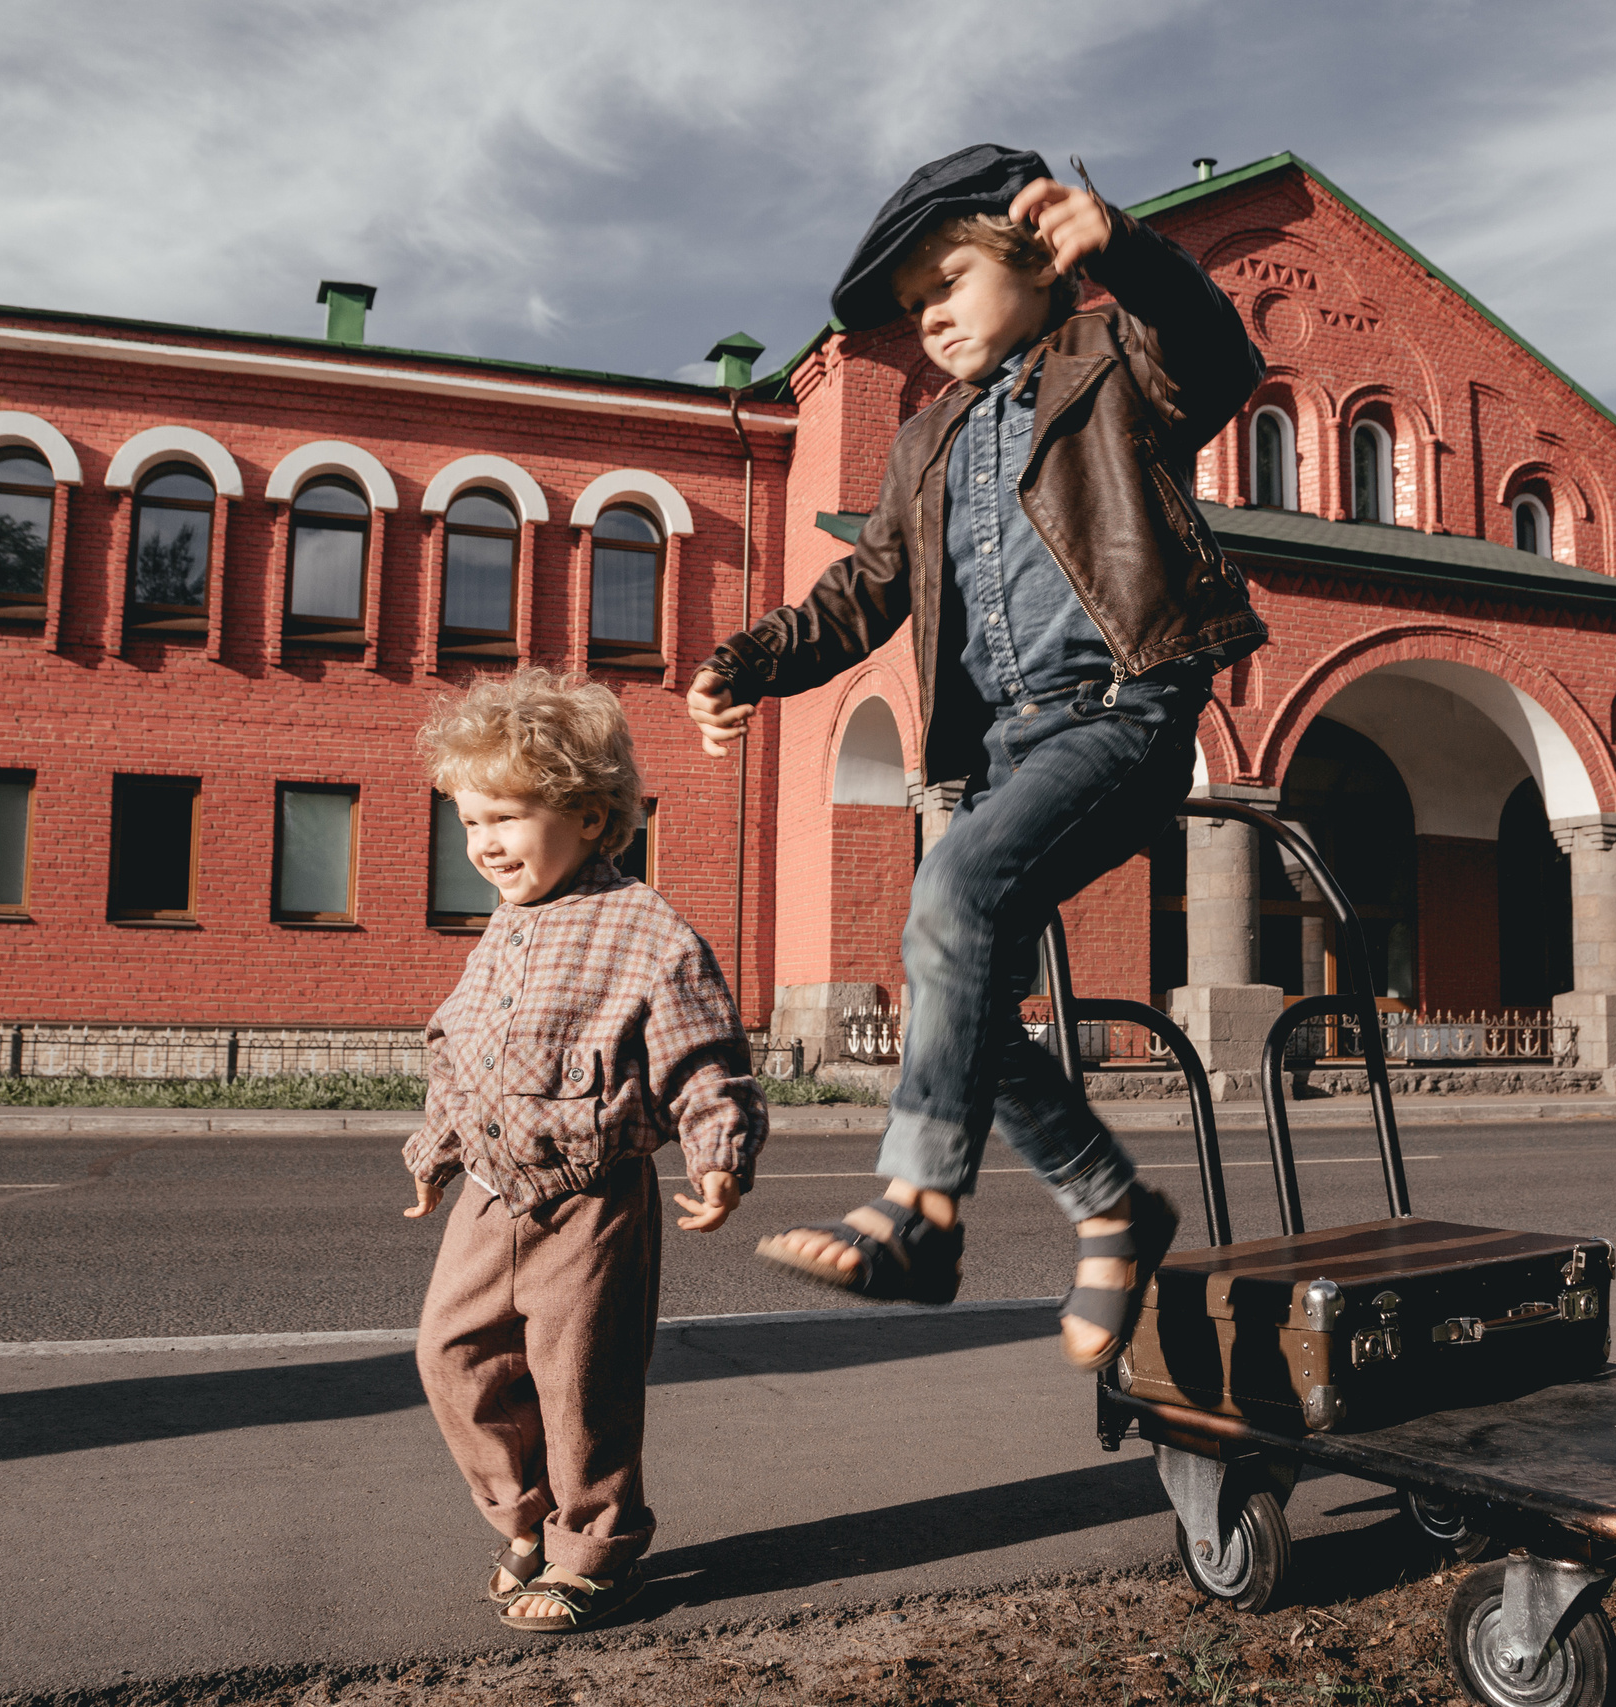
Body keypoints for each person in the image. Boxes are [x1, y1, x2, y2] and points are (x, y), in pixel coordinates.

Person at [685, 144, 1264, 1370]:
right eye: (911, 310)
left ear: (1037, 261)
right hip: (1011, 752)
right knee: (966, 1001)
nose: (931, 318)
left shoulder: (1111, 361)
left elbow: (1218, 355)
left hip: (1123, 711)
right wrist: (748, 658)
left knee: (949, 892)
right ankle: (1116, 1210)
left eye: (948, 280)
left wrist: (1129, 251)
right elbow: (867, 592)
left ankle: (918, 1214)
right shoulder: (925, 443)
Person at [405, 668, 764, 1634]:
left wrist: (717, 1148)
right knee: (451, 1353)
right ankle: (523, 1520)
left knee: (580, 1380)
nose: (484, 844)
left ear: (594, 817)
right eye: (471, 821)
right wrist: (436, 1150)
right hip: (491, 1192)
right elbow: (463, 1050)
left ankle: (595, 1550)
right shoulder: (503, 930)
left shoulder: (648, 931)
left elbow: (703, 1054)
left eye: (508, 820)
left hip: (593, 1198)